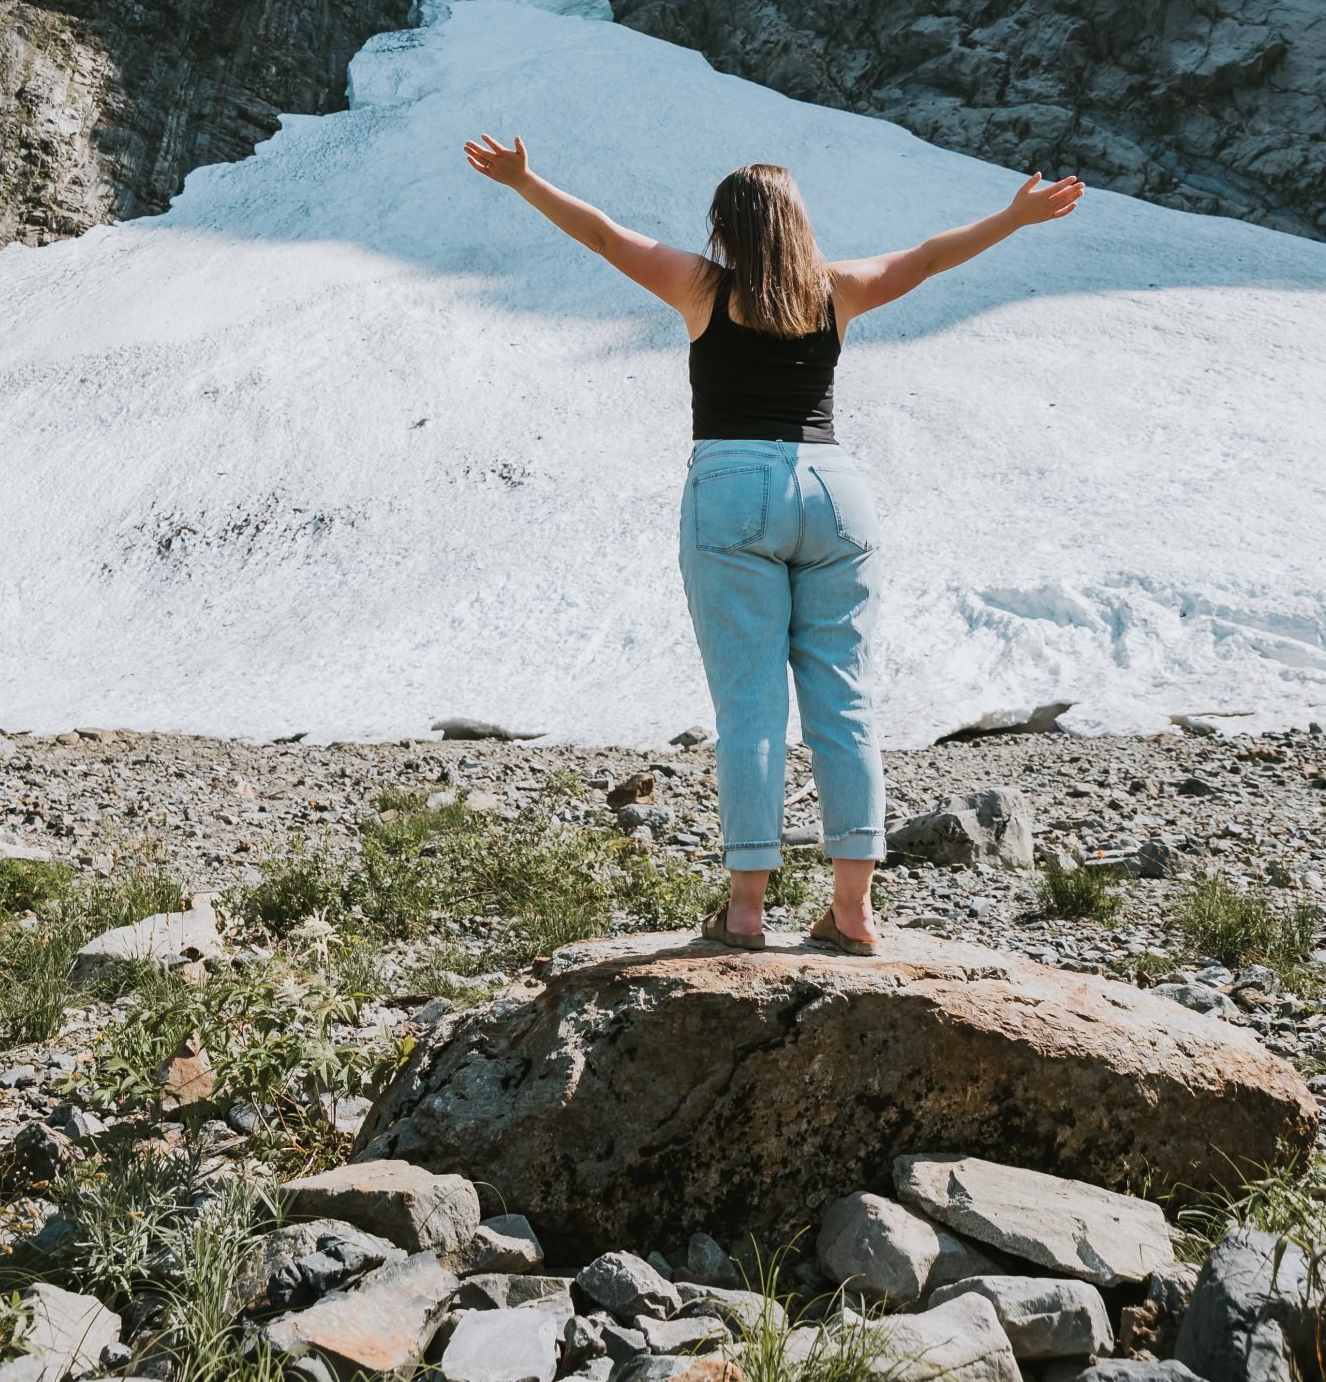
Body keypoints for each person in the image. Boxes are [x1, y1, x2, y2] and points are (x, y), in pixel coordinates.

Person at [462, 135, 1084, 955]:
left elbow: (606, 237)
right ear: (797, 223)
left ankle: (747, 912)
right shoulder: (836, 291)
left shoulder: (701, 287)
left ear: (726, 227)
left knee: (751, 707)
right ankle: (854, 912)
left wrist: (525, 180)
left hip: (731, 485)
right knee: (845, 701)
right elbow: (930, 258)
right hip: (833, 488)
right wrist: (1013, 215)